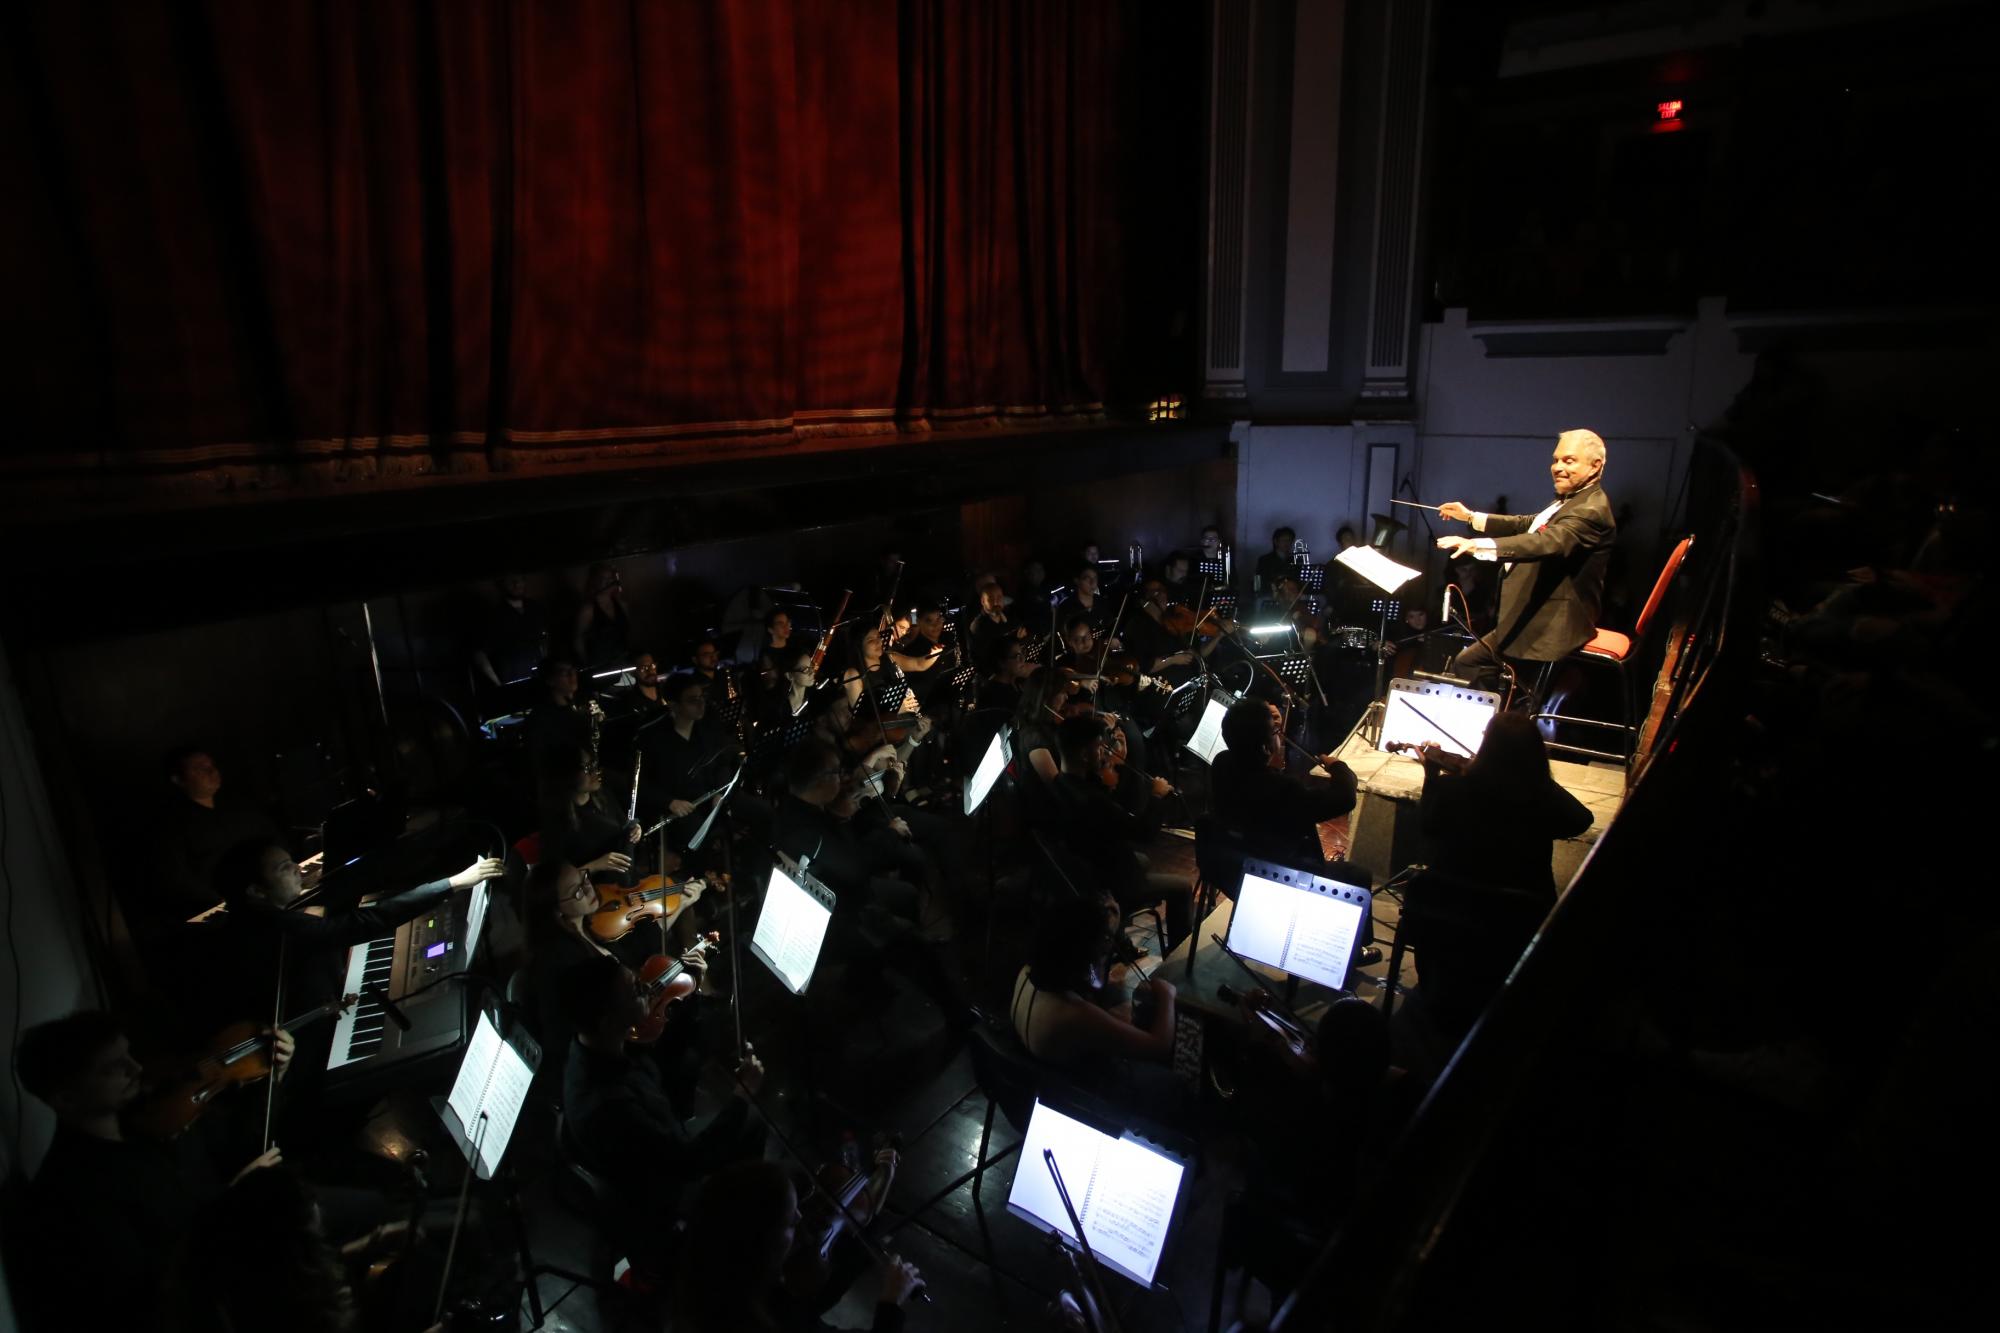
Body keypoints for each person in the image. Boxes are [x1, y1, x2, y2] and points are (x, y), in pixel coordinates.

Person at [15, 1010, 293, 1329]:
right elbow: (150, 1291)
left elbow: (239, 1146)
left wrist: (273, 1077)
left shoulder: (153, 1114)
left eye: (129, 1054)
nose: (136, 1068)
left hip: (251, 1244)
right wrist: (231, 1203)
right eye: (113, 1068)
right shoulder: (72, 1191)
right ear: (66, 1099)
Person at [557, 954, 768, 1282]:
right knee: (752, 1126)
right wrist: (742, 1096)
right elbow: (689, 1161)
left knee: (724, 1100)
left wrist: (694, 994)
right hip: (657, 1194)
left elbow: (665, 1057)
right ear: (606, 1020)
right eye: (634, 991)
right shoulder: (612, 1106)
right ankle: (728, 1229)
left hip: (656, 1152)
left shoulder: (596, 1047)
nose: (648, 989)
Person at [212, 841, 503, 1048]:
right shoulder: (276, 928)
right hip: (309, 1046)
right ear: (256, 891)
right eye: (284, 868)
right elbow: (368, 921)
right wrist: (453, 883)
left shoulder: (246, 920)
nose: (298, 869)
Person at [1434, 429, 1617, 697]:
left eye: (1569, 461)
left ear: (1595, 466)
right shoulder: (1574, 501)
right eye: (1556, 460)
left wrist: (1477, 546)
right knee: (1469, 663)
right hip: (1533, 615)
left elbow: (1547, 542)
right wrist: (1471, 517)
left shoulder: (1591, 510)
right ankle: (1504, 713)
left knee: (1473, 665)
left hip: (1551, 624)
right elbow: (1529, 524)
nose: (1558, 467)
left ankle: (1511, 717)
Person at [676, 1159, 924, 1333]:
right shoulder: (777, 1318)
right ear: (761, 1245)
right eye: (788, 1221)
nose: (800, 1216)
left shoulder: (704, 1257)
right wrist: (891, 1303)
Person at [1417, 710, 1593, 901]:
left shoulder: (1452, 788)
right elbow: (1582, 819)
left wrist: (1431, 775)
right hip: (1523, 910)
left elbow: (1428, 827)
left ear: (1486, 748)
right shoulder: (1542, 799)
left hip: (1455, 902)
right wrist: (1539, 778)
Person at [1049, 715, 1192, 950]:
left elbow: (1113, 820)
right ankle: (1178, 956)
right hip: (1108, 882)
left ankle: (1120, 939)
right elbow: (1144, 833)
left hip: (1084, 870)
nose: (1104, 754)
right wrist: (1157, 796)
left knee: (1143, 861)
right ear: (1084, 755)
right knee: (1183, 887)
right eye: (1099, 748)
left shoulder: (1058, 784)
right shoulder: (1093, 801)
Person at [1209, 700, 1357, 868]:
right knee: (1359, 874)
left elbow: (1259, 761)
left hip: (1233, 861)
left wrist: (1264, 719)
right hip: (1280, 870)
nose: (1279, 734)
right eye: (1275, 732)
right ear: (1265, 747)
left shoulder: (1221, 763)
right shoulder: (1284, 789)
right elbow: (1345, 798)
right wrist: (1338, 766)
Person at [151, 747, 282, 919]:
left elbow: (274, 838)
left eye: (212, 766)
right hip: (224, 907)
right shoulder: (172, 826)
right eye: (200, 769)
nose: (212, 772)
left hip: (267, 892)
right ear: (178, 780)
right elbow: (179, 880)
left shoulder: (240, 806)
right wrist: (225, 899)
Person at [471, 573, 547, 696]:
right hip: (514, 681)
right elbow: (479, 654)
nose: (516, 584)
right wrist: (498, 684)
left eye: (519, 579)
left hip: (540, 676)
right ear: (501, 584)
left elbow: (544, 639)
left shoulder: (534, 608)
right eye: (510, 580)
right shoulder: (494, 616)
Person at [573, 562, 633, 673]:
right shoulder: (588, 610)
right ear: (594, 581)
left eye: (610, 578)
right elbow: (578, 640)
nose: (608, 582)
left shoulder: (622, 605)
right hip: (601, 666)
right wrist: (587, 663)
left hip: (624, 663)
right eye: (603, 579)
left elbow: (628, 633)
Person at [1253, 526, 1298, 600]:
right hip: (1270, 595)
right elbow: (1259, 581)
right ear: (1276, 541)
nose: (1287, 543)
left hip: (1290, 597)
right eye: (1284, 540)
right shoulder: (1265, 560)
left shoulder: (1295, 560)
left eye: (1290, 540)